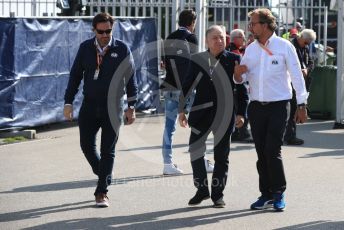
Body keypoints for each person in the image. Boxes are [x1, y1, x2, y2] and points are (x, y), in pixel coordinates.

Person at [234, 8, 308, 211]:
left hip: (279, 105)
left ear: (265, 25)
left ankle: (278, 193)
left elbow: (296, 76)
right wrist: (238, 75)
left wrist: (301, 104)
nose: (250, 27)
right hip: (257, 106)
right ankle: (265, 194)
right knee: (261, 152)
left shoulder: (284, 46)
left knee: (272, 150)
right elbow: (243, 77)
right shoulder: (250, 49)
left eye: (253, 23)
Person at [63, 12, 138, 207]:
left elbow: (130, 78)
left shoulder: (121, 49)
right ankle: (104, 172)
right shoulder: (85, 48)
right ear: (94, 30)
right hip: (89, 104)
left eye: (109, 31)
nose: (105, 35)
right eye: (101, 31)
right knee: (86, 145)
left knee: (108, 150)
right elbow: (75, 76)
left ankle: (101, 191)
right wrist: (68, 102)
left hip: (113, 106)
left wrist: (131, 106)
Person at [179, 25, 248, 208]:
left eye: (222, 38)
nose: (219, 41)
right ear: (207, 41)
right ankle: (202, 190)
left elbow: (241, 88)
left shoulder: (234, 59)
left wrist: (242, 113)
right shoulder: (196, 60)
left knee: (221, 156)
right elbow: (187, 86)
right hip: (200, 113)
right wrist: (181, 110)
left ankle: (217, 195)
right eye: (215, 38)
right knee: (196, 151)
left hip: (225, 114)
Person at [160, 9, 214, 175]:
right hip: (187, 88)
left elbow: (164, 63)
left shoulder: (169, 37)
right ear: (193, 22)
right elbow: (195, 64)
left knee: (169, 127)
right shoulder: (192, 38)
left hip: (170, 86)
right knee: (198, 124)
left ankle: (167, 163)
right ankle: (201, 160)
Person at [284, 29, 316, 145]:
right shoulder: (290, 46)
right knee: (292, 109)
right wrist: (297, 71)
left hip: (302, 82)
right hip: (291, 82)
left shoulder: (305, 48)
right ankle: (289, 136)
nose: (307, 45)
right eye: (306, 42)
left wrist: (306, 69)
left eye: (309, 43)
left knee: (296, 109)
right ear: (301, 37)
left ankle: (290, 135)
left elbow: (312, 62)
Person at [228, 29, 252, 142]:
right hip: (238, 85)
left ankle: (236, 133)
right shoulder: (235, 52)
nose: (244, 39)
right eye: (242, 37)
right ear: (236, 38)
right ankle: (243, 133)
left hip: (232, 86)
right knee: (242, 106)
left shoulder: (234, 49)